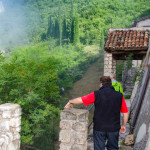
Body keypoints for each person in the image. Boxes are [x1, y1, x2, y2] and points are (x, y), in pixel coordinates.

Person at [65, 76, 128, 150]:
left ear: (101, 84)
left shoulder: (96, 94)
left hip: (99, 127)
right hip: (114, 128)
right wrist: (123, 125)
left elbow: (82, 99)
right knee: (113, 148)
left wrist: (70, 101)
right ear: (110, 84)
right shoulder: (119, 95)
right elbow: (125, 112)